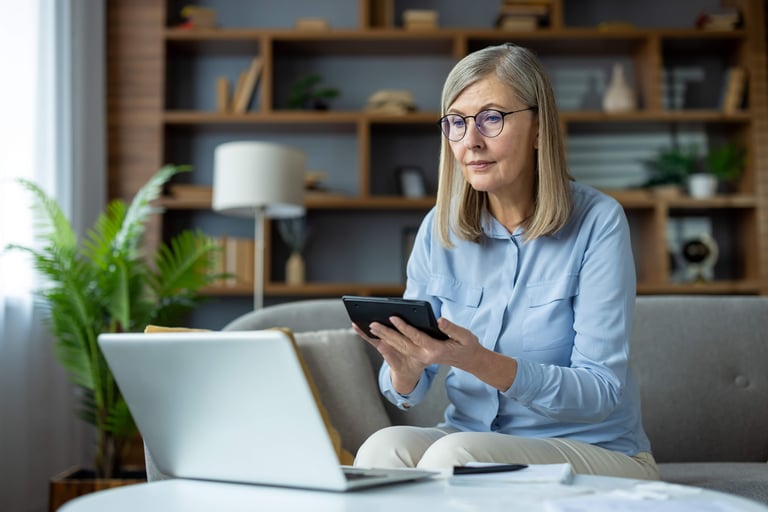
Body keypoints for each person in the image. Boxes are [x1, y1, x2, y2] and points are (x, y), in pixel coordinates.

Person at [351, 43, 659, 480]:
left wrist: (480, 361)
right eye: (456, 123)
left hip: (594, 449)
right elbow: (410, 389)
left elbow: (602, 391)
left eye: (491, 118)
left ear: (539, 128)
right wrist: (405, 370)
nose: (470, 141)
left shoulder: (598, 221)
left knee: (455, 456)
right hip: (469, 436)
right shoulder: (439, 229)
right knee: (384, 448)